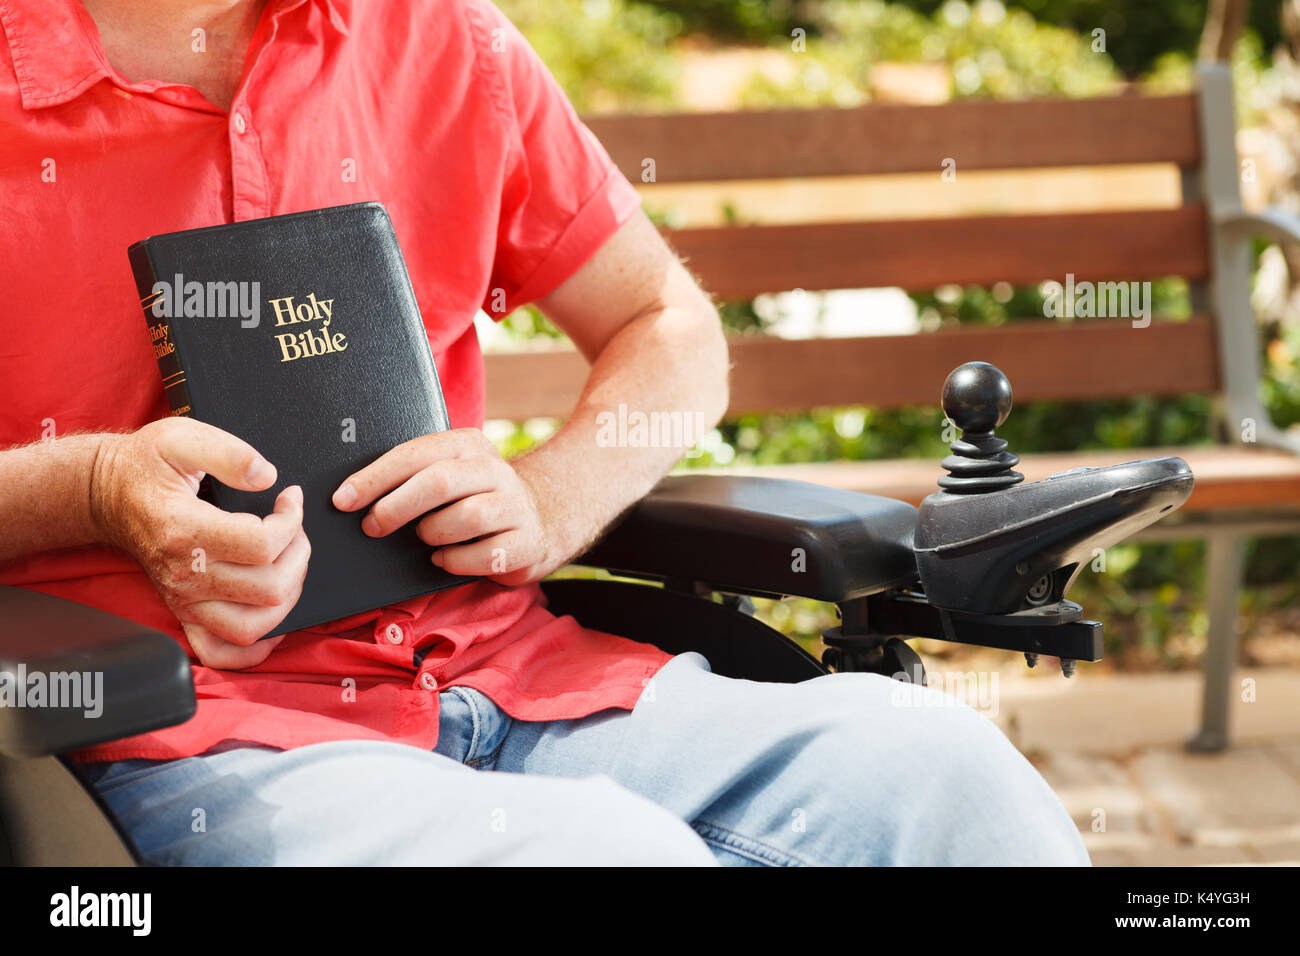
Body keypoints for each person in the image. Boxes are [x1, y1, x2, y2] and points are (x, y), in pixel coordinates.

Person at [0, 0, 1089, 865]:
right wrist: (97, 485)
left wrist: (552, 494)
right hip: (193, 737)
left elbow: (666, 324)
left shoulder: (438, 38)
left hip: (523, 676)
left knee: (948, 776)